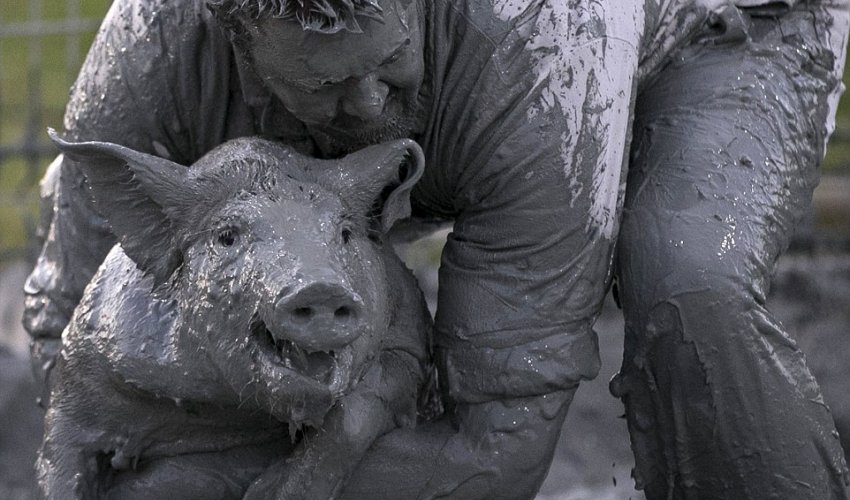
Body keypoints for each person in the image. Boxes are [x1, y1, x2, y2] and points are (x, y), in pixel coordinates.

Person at [23, 0, 850, 497]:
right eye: (326, 86)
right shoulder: (155, 45)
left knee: (683, 273)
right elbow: (66, 343)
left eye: (389, 64)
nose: (375, 104)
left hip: (722, 29)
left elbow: (497, 445)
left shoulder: (534, 47)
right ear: (234, 42)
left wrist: (195, 488)